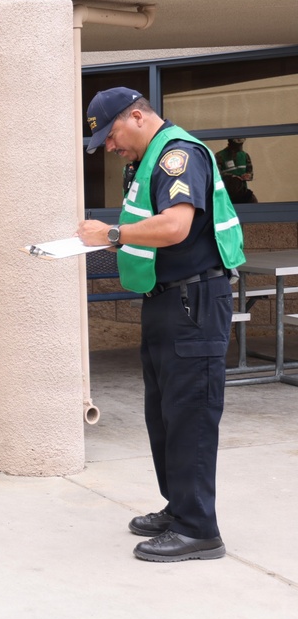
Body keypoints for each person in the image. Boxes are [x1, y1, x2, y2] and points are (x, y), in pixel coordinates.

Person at [76, 87, 245, 562]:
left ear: (136, 116)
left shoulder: (178, 156)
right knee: (166, 414)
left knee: (189, 414)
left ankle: (199, 530)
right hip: (167, 301)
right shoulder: (149, 160)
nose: (110, 147)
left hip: (193, 301)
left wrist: (111, 233)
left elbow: (176, 226)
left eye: (111, 136)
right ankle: (180, 508)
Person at [215, 138, 256, 203]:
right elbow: (216, 174)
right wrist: (232, 177)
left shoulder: (245, 155)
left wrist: (248, 176)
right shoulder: (219, 156)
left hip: (242, 193)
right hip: (227, 193)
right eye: (236, 147)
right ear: (230, 143)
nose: (238, 149)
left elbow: (250, 172)